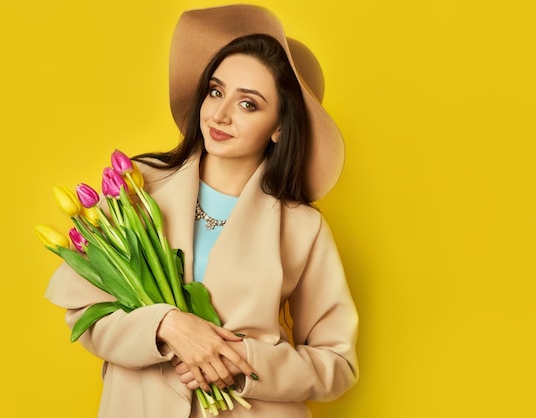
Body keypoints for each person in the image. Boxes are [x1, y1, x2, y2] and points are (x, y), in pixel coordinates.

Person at [45, 4, 358, 418]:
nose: (220, 114)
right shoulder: (136, 189)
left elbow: (337, 364)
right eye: (216, 90)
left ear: (280, 127)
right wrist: (166, 326)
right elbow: (84, 315)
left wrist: (244, 362)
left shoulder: (302, 228)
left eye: (248, 104)